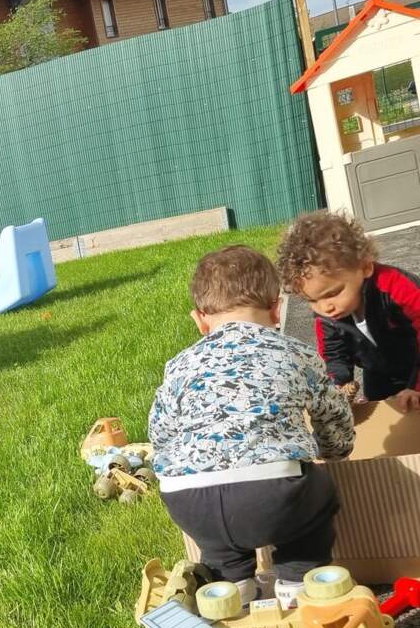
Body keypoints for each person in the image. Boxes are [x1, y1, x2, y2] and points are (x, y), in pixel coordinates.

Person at [148, 246, 355, 607]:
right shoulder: (296, 351)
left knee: (219, 541)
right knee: (316, 502)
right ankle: (297, 584)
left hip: (188, 500)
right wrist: (336, 450)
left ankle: (232, 591)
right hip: (274, 496)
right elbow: (332, 413)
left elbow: (160, 431)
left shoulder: (179, 364)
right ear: (276, 309)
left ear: (200, 319)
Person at [277, 210, 420, 412]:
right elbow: (333, 353)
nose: (325, 307)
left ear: (365, 267)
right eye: (312, 300)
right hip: (379, 361)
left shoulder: (396, 288)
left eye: (333, 293)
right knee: (381, 403)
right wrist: (338, 385)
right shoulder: (327, 315)